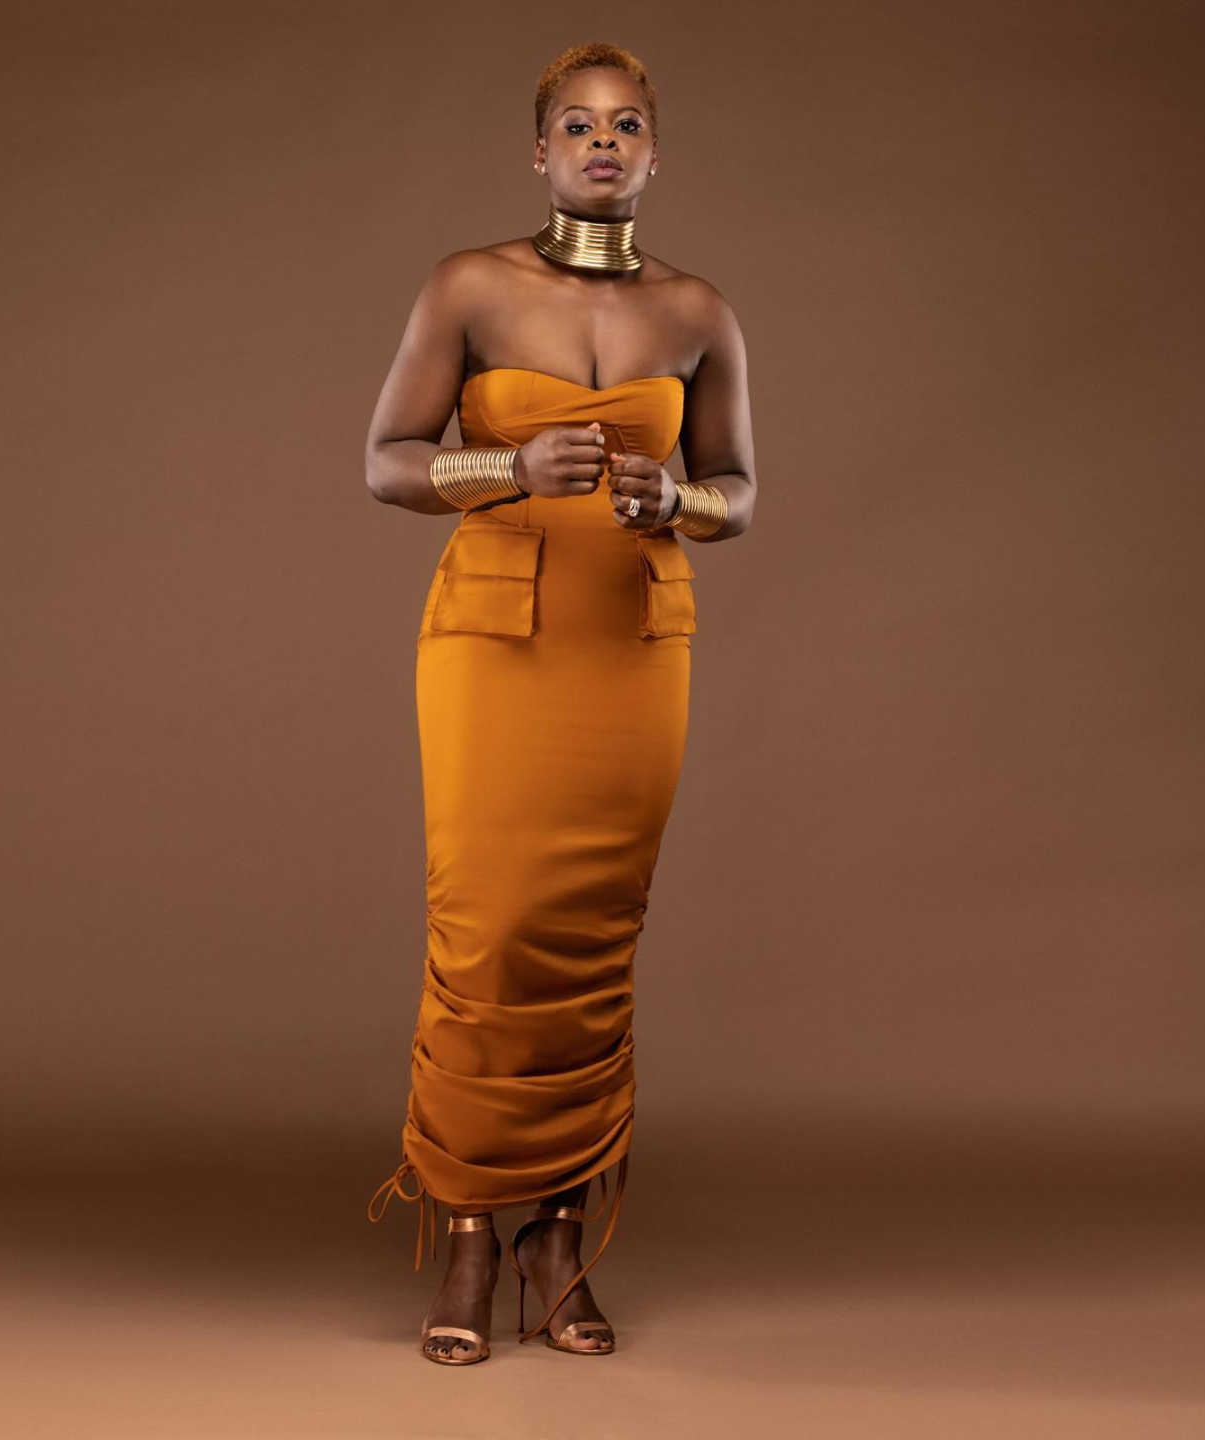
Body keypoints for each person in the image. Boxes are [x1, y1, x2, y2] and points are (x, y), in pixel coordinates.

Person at [363, 40, 755, 1365]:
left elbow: (741, 489)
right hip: (493, 640)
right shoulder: (469, 285)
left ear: (655, 154)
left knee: (592, 934)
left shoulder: (699, 311)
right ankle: (471, 1232)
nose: (602, 142)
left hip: (633, 642)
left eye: (626, 124)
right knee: (487, 929)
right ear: (539, 152)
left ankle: (560, 1238)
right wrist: (506, 468)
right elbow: (386, 461)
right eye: (578, 125)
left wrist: (678, 498)